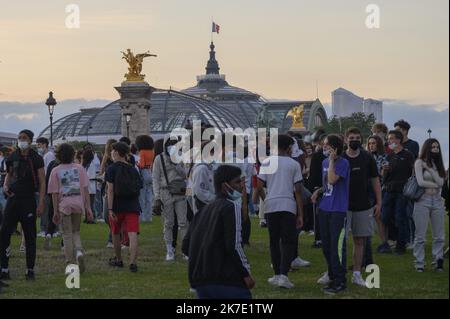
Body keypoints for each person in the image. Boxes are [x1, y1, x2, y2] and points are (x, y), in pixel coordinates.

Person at [182, 165, 255, 299]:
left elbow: (185, 246)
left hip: (201, 282)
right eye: (237, 182)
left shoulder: (202, 212)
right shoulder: (231, 207)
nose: (241, 186)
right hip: (226, 281)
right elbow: (234, 245)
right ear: (225, 186)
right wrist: (245, 273)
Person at [257, 134, 305, 289]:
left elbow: (259, 186)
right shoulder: (294, 164)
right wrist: (300, 213)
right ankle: (284, 274)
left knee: (273, 241)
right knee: (287, 241)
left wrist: (266, 199)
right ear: (290, 147)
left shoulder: (266, 162)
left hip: (272, 205)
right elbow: (298, 190)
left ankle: (277, 274)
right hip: (288, 205)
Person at [0, 130, 46, 281]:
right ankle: (4, 268)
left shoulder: (36, 158)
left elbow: (42, 181)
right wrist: (6, 186)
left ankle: (30, 270)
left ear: (30, 140)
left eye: (24, 138)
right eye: (19, 138)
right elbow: (9, 174)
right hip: (13, 200)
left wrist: (41, 202)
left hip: (28, 200)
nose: (21, 140)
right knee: (4, 233)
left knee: (30, 235)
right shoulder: (12, 156)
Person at [311, 134, 350, 294]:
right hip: (325, 207)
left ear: (335, 147)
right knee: (326, 246)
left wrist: (333, 160)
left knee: (337, 246)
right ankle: (333, 275)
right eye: (323, 145)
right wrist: (319, 191)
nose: (324, 147)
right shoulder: (324, 162)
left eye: (327, 145)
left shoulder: (343, 162)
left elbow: (333, 179)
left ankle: (340, 280)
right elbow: (327, 184)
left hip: (338, 209)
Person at [342, 128, 382, 287]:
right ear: (346, 139)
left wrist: (379, 202)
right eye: (351, 137)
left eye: (357, 137)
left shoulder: (367, 157)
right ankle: (335, 271)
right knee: (340, 241)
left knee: (360, 241)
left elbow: (375, 180)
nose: (354, 140)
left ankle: (357, 273)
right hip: (343, 206)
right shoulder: (341, 157)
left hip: (364, 205)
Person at [48, 144, 93, 273]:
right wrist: (88, 208)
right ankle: (79, 251)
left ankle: (70, 262)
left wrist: (55, 211)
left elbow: (54, 193)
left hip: (64, 205)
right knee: (76, 232)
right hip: (78, 204)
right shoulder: (80, 168)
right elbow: (85, 189)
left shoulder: (55, 171)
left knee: (66, 234)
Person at [106, 142, 142, 272]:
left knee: (116, 233)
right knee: (133, 234)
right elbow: (139, 187)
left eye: (112, 151)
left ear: (116, 152)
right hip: (132, 205)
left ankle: (119, 259)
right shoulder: (133, 168)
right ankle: (133, 262)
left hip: (117, 206)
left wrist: (110, 208)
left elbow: (110, 190)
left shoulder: (111, 168)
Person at [413, 139, 446, 272]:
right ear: (427, 148)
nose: (435, 149)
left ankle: (438, 262)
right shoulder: (419, 162)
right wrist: (437, 184)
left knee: (439, 235)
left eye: (437, 147)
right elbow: (420, 182)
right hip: (423, 200)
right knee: (420, 235)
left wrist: (430, 170)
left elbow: (441, 182)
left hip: (437, 201)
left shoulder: (438, 164)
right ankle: (419, 263)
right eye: (433, 147)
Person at [153, 136, 188, 261]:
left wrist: (177, 164)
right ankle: (169, 249)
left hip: (180, 192)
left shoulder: (181, 157)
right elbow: (155, 178)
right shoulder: (159, 158)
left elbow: (186, 175)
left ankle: (185, 250)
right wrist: (157, 197)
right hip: (165, 192)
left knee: (183, 222)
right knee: (168, 223)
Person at [380, 130, 414, 255]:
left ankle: (401, 245)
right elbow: (383, 176)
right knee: (384, 217)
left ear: (398, 140)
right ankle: (389, 241)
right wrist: (384, 170)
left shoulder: (407, 155)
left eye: (392, 139)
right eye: (389, 139)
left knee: (400, 217)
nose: (390, 141)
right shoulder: (388, 156)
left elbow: (412, 172)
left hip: (402, 191)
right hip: (389, 190)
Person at [366, 135, 388, 252]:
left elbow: (382, 177)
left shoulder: (384, 157)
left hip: (379, 189)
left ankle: (384, 242)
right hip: (366, 190)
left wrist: (383, 172)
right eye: (369, 144)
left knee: (379, 217)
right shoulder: (366, 157)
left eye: (373, 143)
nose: (371, 146)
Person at [308, 133, 327, 248]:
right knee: (318, 214)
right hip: (319, 189)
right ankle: (319, 238)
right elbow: (313, 173)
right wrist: (314, 188)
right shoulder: (317, 156)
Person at [36, 137, 56, 238]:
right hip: (45, 184)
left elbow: (49, 171)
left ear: (44, 144)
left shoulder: (49, 155)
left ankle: (45, 229)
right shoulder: (45, 155)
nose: (38, 147)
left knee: (47, 208)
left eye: (39, 145)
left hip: (47, 185)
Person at [100, 139, 117, 248]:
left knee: (112, 214)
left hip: (116, 188)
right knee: (106, 216)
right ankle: (114, 234)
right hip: (106, 187)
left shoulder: (118, 157)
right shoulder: (106, 158)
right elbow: (101, 171)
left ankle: (112, 238)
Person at [135, 135, 155, 223]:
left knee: (142, 197)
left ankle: (142, 217)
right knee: (149, 196)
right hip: (150, 172)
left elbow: (141, 165)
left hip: (143, 173)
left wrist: (137, 164)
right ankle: (149, 217)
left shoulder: (142, 152)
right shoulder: (152, 151)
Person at [82, 149, 97, 223]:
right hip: (90, 186)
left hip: (85, 187)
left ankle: (87, 218)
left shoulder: (84, 164)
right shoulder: (91, 164)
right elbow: (91, 176)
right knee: (91, 204)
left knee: (86, 203)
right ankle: (91, 218)